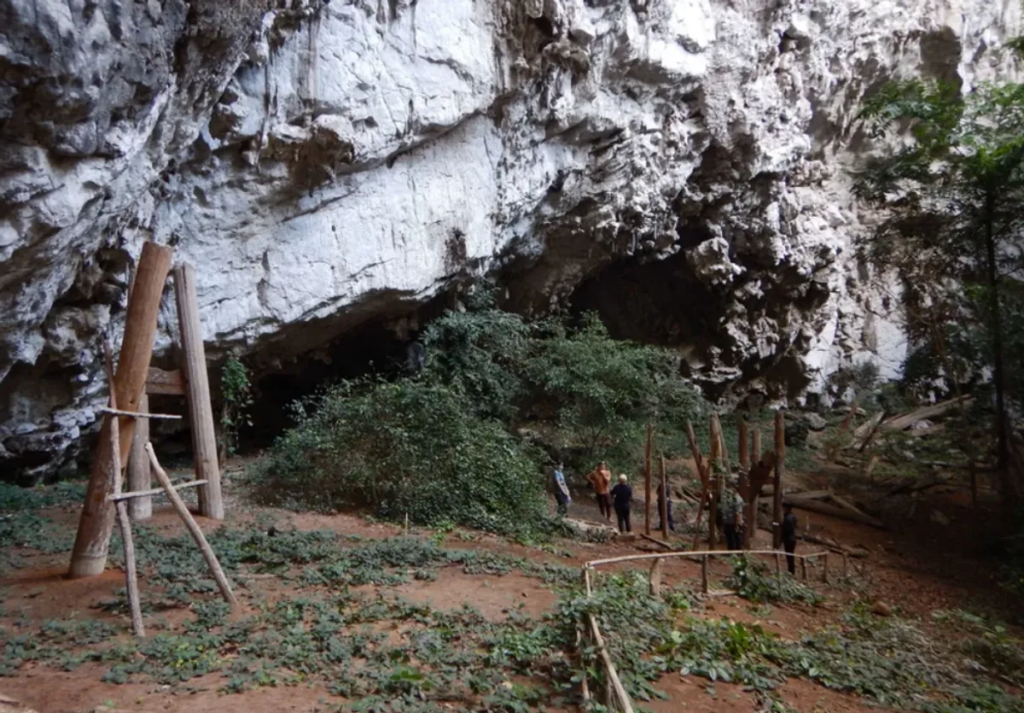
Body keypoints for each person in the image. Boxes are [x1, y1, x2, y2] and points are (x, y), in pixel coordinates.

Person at [721, 477, 744, 551]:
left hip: (734, 523)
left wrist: (737, 524)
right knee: (729, 539)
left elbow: (738, 513)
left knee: (736, 539)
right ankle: (730, 553)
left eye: (731, 487)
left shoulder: (737, 499)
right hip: (728, 522)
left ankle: (737, 554)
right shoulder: (729, 498)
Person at [782, 502, 798, 574]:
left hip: (789, 539)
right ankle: (791, 570)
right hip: (792, 539)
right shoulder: (792, 516)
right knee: (790, 556)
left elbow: (788, 528)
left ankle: (791, 571)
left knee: (789, 556)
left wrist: (782, 526)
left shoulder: (788, 518)